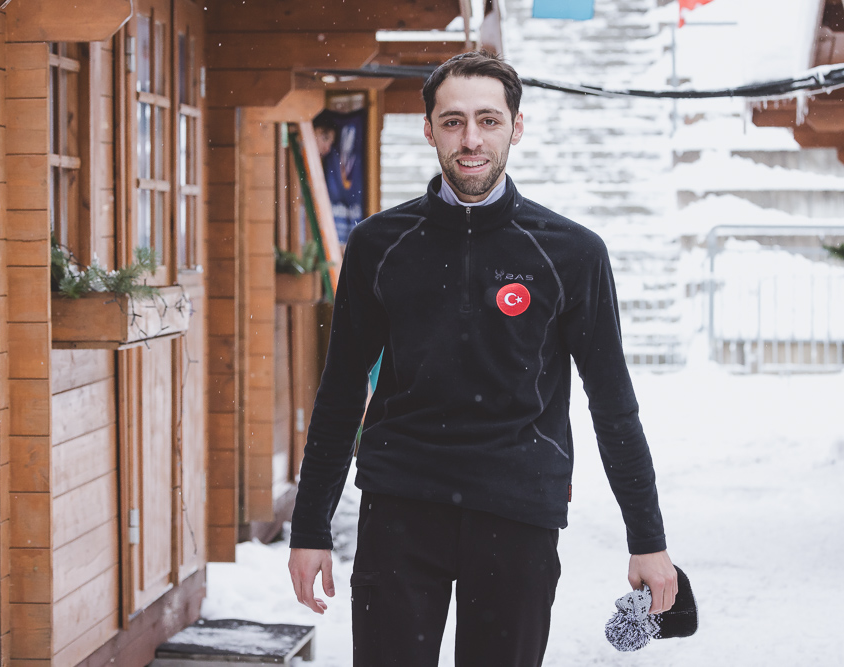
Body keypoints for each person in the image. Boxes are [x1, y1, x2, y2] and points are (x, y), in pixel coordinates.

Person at [288, 50, 678, 667]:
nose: (470, 139)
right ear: (429, 129)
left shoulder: (571, 253)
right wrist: (310, 528)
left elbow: (612, 402)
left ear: (516, 127)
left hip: (517, 512)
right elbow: (339, 393)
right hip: (401, 508)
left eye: (488, 120)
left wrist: (647, 539)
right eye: (453, 121)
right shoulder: (379, 245)